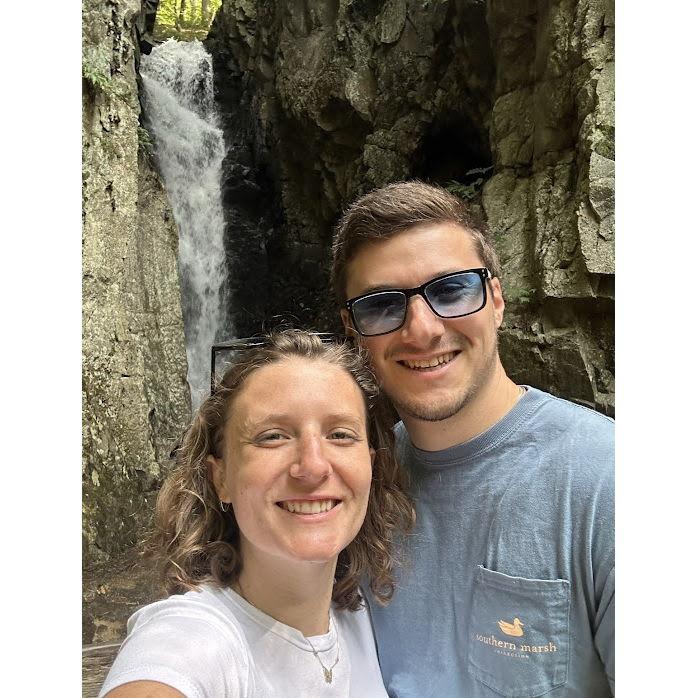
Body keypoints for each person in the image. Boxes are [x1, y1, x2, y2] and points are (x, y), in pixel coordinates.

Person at [331, 181, 614, 697]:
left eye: (451, 290)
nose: (421, 330)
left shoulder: (607, 478)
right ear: (353, 330)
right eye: (381, 305)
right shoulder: (351, 484)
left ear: (496, 300)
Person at [99, 330, 414, 698]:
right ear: (221, 478)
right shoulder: (194, 638)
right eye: (272, 436)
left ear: (370, 467)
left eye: (341, 434)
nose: (313, 466)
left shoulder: (363, 617)